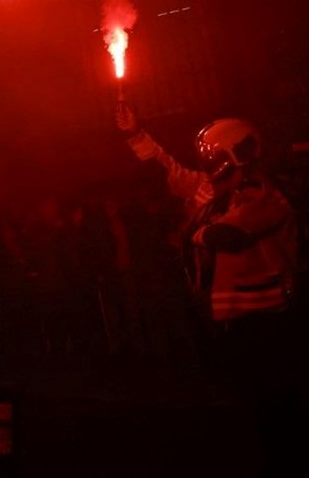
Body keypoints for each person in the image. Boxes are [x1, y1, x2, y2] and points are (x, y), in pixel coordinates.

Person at [116, 105, 303, 476]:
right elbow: (165, 168)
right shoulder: (209, 190)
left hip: (268, 322)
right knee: (249, 410)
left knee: (278, 410)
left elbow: (227, 235)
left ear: (237, 153)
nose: (208, 163)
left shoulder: (264, 197)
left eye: (215, 155)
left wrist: (192, 232)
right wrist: (134, 133)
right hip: (231, 324)